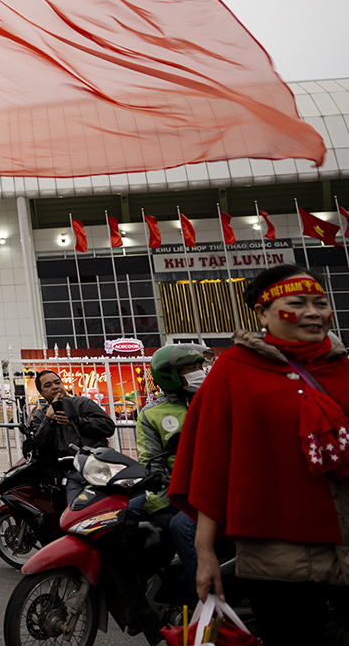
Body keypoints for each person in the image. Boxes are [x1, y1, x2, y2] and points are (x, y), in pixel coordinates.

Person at [170, 264, 349, 643]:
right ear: (263, 313)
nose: (313, 312)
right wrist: (205, 553)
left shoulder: (342, 368)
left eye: (320, 303)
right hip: (275, 556)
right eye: (297, 303)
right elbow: (209, 467)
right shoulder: (233, 371)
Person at [130, 344, 210, 600]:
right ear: (169, 374)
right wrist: (160, 504)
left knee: (180, 527)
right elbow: (153, 465)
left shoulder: (215, 400)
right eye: (190, 367)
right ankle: (139, 583)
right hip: (173, 486)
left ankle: (204, 600)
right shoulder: (152, 413)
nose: (199, 372)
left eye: (199, 366)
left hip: (212, 488)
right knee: (125, 510)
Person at [27, 368, 115, 506]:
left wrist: (77, 421)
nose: (55, 387)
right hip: (70, 473)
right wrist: (48, 419)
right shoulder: (41, 415)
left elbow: (108, 427)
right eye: (48, 385)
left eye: (57, 382)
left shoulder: (82, 403)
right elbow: (40, 443)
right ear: (41, 393)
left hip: (98, 467)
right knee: (75, 513)